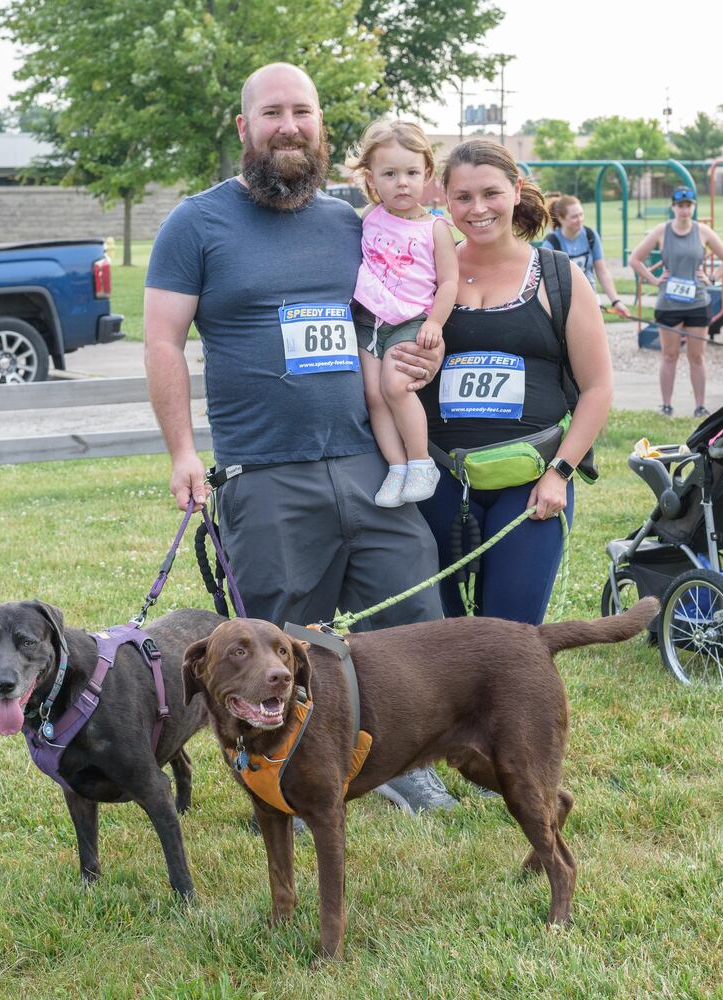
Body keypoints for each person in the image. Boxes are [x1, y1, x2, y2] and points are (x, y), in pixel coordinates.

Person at [143, 63, 457, 814]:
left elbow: (403, 308)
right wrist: (184, 452)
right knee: (278, 643)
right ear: (245, 127)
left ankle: (405, 763)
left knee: (412, 607)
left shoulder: (356, 222)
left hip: (365, 457)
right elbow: (161, 341)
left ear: (322, 127)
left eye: (304, 113)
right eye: (273, 112)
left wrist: (427, 347)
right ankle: (277, 782)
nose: (290, 125)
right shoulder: (197, 223)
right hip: (264, 471)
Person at [414, 140, 614, 625]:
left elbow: (598, 388)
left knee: (510, 639)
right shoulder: (424, 272)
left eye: (491, 193)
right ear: (445, 200)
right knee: (435, 641)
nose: (477, 209)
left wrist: (560, 474)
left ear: (516, 189)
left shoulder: (558, 275)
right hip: (436, 480)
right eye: (462, 197)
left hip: (529, 484)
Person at [349, 120, 459, 507]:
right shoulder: (368, 218)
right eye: (390, 174)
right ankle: (397, 468)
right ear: (372, 177)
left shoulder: (435, 228)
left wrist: (434, 323)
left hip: (411, 320)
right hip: (368, 321)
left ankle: (421, 462)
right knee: (374, 395)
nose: (402, 183)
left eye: (412, 173)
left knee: (396, 387)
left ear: (427, 174)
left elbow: (448, 282)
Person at [629, 186, 723, 417]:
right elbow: (635, 259)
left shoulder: (703, 232)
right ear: (673, 207)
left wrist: (712, 278)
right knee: (669, 355)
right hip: (669, 303)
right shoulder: (662, 231)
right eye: (680, 206)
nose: (684, 210)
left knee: (697, 356)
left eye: (688, 205)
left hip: (697, 302)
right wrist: (654, 280)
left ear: (693, 207)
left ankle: (700, 406)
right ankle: (666, 405)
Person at [543, 194, 632, 321]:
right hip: (564, 305)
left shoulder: (590, 235)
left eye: (581, 214)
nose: (579, 219)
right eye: (574, 216)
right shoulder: (551, 243)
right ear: (561, 219)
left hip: (590, 297)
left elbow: (602, 272)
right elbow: (546, 282)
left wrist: (616, 301)